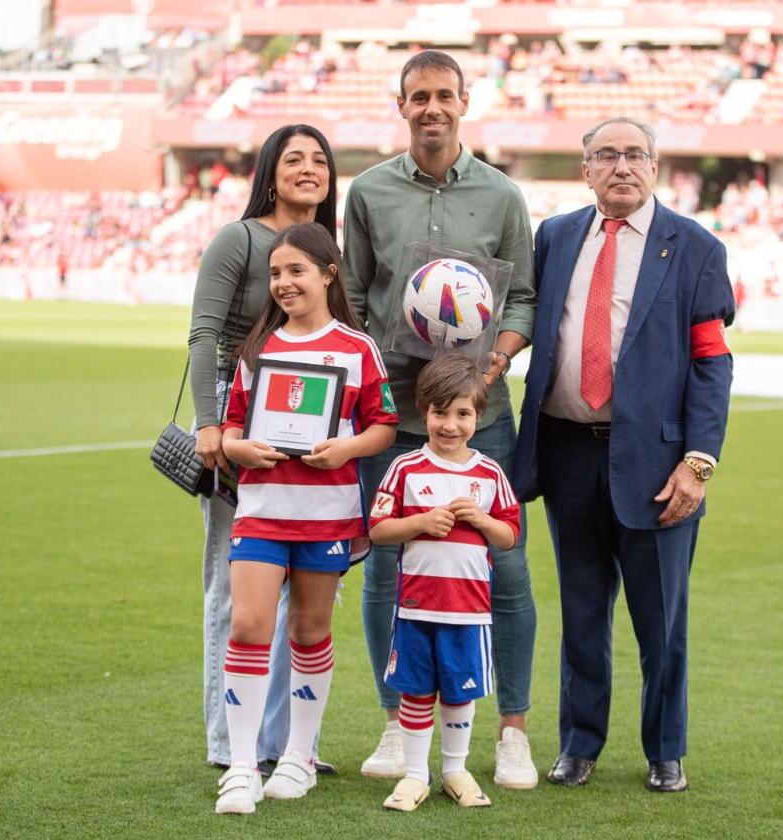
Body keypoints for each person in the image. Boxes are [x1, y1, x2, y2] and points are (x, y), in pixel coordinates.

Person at [513, 117, 734, 793]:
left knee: (660, 621)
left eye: (634, 154)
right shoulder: (553, 238)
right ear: (585, 170)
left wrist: (698, 464)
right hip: (568, 452)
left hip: (659, 467)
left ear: (656, 166)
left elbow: (711, 365)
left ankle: (665, 750)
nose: (621, 166)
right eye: (605, 155)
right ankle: (579, 745)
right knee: (581, 612)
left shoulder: (694, 247)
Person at [342, 49, 539, 789]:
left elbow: (520, 298)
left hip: (479, 413)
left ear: (465, 102)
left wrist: (497, 359)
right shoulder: (367, 192)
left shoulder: (501, 195)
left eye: (443, 96)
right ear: (401, 105)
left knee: (505, 563)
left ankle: (512, 730)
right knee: (387, 564)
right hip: (391, 415)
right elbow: (355, 293)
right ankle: (398, 723)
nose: (431, 108)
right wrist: (373, 355)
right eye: (418, 96)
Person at [214, 223, 398, 814]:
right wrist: (238, 449)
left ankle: (298, 757)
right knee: (247, 624)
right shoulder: (258, 348)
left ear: (327, 273)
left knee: (310, 631)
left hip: (326, 514)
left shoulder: (356, 347)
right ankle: (242, 765)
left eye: (295, 271)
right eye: (274, 274)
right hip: (263, 511)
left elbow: (382, 425)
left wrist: (346, 449)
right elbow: (233, 425)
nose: (283, 284)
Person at [189, 125, 339, 781]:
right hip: (240, 427)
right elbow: (203, 334)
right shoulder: (240, 239)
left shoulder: (332, 249)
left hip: (311, 435)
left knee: (300, 596)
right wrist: (208, 424)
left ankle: (284, 742)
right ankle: (231, 743)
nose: (308, 169)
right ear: (269, 174)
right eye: (293, 159)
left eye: (319, 160)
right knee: (233, 585)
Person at [370, 355, 520, 813]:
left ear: (479, 415)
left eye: (462, 414)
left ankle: (455, 769)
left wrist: (483, 520)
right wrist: (419, 522)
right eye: (439, 412)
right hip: (416, 607)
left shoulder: (489, 475)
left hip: (468, 610)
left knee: (460, 691)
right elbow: (377, 529)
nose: (450, 425)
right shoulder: (405, 469)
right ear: (423, 412)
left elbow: (510, 536)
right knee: (416, 690)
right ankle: (416, 775)